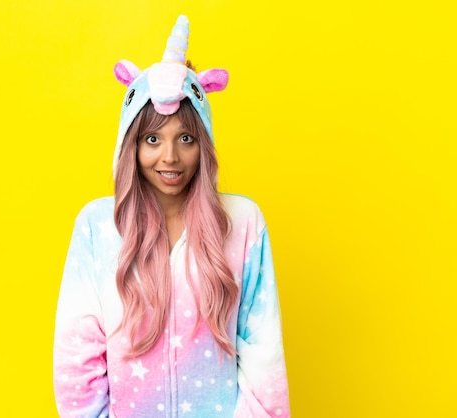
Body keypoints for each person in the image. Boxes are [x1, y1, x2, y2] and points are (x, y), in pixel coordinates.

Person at [53, 15, 290, 417]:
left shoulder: (243, 223)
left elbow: (263, 354)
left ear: (205, 144)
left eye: (186, 138)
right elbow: (77, 357)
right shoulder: (97, 227)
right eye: (151, 139)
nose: (169, 157)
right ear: (131, 145)